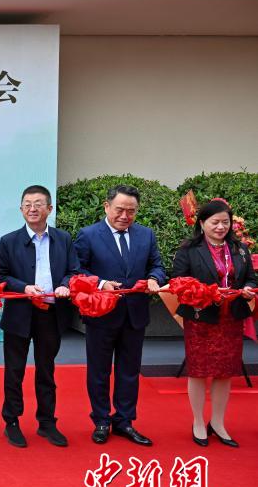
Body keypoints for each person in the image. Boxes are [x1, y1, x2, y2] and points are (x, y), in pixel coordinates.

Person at [75, 184, 166, 446]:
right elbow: (77, 270)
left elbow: (157, 265)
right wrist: (101, 283)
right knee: (99, 371)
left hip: (134, 314)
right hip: (101, 315)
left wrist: (153, 278)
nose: (125, 216)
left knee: (129, 371)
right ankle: (101, 420)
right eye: (119, 210)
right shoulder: (88, 235)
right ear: (107, 207)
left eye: (131, 211)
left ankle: (124, 420)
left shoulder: (146, 235)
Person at [0, 185, 79, 448]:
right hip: (19, 313)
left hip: (51, 314)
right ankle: (11, 422)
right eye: (27, 204)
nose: (33, 209)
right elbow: (0, 276)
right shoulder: (9, 241)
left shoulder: (63, 239)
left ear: (49, 209)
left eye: (38, 204)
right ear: (21, 209)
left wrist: (65, 284)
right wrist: (24, 288)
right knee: (14, 371)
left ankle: (47, 422)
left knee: (46, 370)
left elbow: (74, 270)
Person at [171, 199, 256, 447]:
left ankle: (218, 422)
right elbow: (178, 282)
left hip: (230, 319)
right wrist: (207, 293)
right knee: (198, 371)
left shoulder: (240, 249)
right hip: (201, 318)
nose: (221, 227)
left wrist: (248, 290)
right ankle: (198, 421)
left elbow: (250, 278)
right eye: (215, 222)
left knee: (225, 373)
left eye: (225, 222)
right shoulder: (188, 249)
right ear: (202, 223)